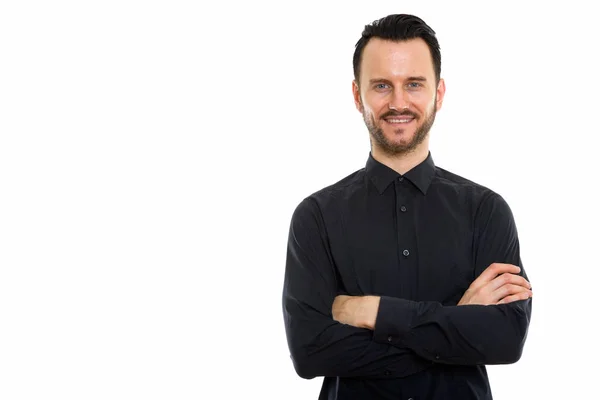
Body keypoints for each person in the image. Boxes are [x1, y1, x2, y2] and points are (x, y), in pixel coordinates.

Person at [281, 13, 533, 400]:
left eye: (414, 84)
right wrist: (455, 327)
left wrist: (375, 313)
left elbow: (506, 340)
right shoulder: (316, 217)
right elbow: (310, 352)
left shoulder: (486, 210)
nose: (398, 102)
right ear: (356, 95)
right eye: (382, 85)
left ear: (439, 93)